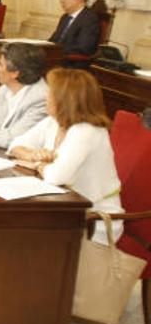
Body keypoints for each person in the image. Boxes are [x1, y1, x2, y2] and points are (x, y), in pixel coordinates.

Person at [8, 68, 123, 244]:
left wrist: (37, 163)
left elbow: (56, 176)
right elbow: (14, 145)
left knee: (18, 234)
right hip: (64, 209)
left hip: (94, 221)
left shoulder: (86, 130)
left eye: (50, 93)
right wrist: (34, 155)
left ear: (65, 99)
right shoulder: (54, 122)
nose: (46, 96)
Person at [48, 0, 101, 69]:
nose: (61, 0)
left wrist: (57, 51)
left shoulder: (89, 19)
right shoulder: (65, 17)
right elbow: (54, 39)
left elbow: (84, 48)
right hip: (58, 58)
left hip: (74, 64)